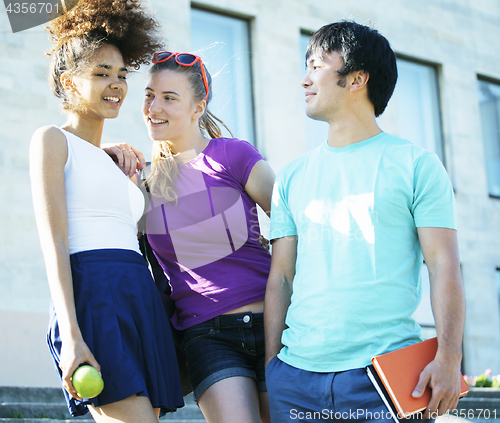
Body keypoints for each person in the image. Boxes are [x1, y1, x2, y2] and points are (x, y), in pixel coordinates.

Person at [264, 20, 465, 423]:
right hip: (295, 380)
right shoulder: (291, 177)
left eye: (317, 65)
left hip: (385, 380)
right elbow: (282, 278)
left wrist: (449, 355)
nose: (305, 79)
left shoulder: (416, 165)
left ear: (356, 79)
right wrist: (272, 369)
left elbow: (443, 264)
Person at [29, 1, 184, 421]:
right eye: (100, 73)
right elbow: (54, 242)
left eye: (121, 74)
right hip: (95, 293)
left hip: (139, 293)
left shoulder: (117, 161)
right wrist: (72, 336)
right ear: (69, 81)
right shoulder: (51, 140)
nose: (115, 84)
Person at [138, 51, 275, 423]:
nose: (154, 106)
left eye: (169, 97)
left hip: (273, 322)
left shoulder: (234, 156)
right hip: (206, 335)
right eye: (149, 94)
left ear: (199, 107)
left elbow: (291, 227)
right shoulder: (144, 185)